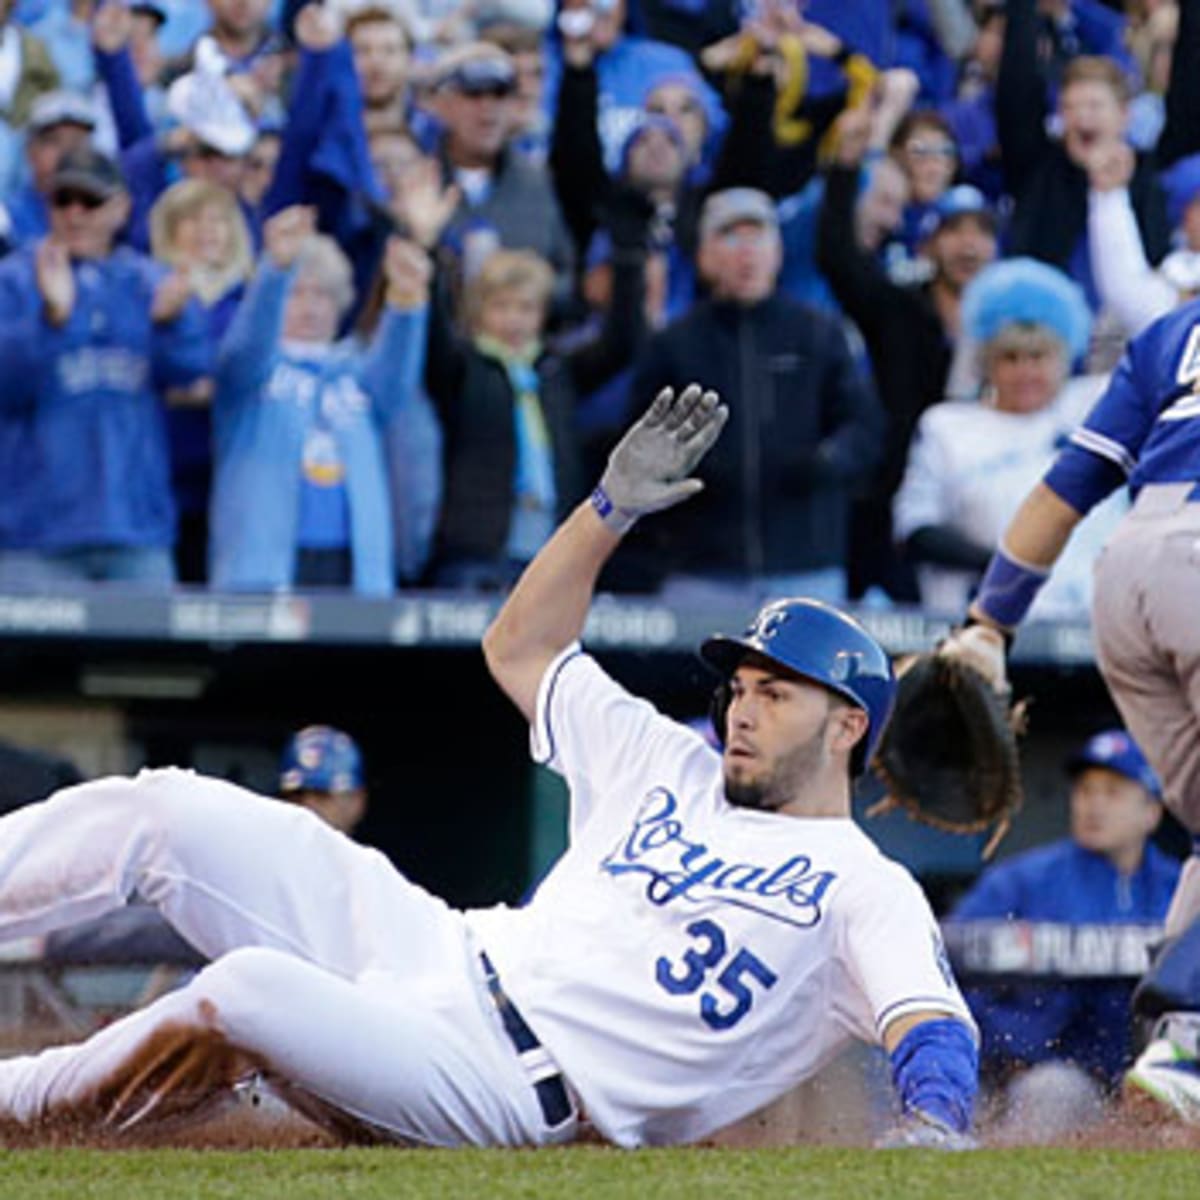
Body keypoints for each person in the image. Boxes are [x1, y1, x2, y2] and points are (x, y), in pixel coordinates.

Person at [0, 385, 977, 1150]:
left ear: (847, 725)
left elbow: (930, 1024)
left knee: (247, 991)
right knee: (170, 810)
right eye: (741, 686)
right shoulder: (665, 763)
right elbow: (519, 647)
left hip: (512, 1084)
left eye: (778, 693)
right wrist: (607, 511)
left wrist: (934, 1126)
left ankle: (16, 1103)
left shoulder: (864, 884)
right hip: (440, 949)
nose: (744, 708)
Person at [945, 278, 1200, 1122]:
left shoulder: (1173, 332)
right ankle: (1190, 1036)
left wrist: (988, 623)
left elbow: (1066, 489)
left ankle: (1176, 1041)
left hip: (1125, 579)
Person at [628, 187, 883, 602]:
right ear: (705, 255)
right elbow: (640, 439)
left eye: (758, 236)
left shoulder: (821, 333)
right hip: (699, 567)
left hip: (806, 564)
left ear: (778, 252)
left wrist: (825, 462)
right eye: (730, 237)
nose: (746, 252)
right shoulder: (674, 344)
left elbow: (865, 427)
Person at [947, 730, 1178, 1141]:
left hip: (1155, 1085)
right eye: (1086, 790)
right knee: (1051, 1090)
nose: (1094, 805)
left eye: (1113, 792)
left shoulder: (1180, 889)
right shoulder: (1023, 881)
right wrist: (1011, 1051)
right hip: (1046, 1078)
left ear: (1152, 811)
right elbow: (944, 973)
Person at [0, 146, 211, 588]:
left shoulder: (148, 281)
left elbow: (192, 373)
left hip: (135, 530)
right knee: (32, 659)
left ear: (121, 208)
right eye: (63, 201)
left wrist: (172, 323)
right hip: (36, 536)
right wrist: (51, 320)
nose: (75, 214)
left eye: (90, 201)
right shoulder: (15, 279)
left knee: (145, 660)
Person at [817, 103, 998, 603]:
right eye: (955, 231)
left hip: (976, 497)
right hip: (889, 499)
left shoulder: (1010, 330)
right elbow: (837, 259)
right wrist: (845, 167)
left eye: (981, 232)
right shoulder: (898, 308)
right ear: (930, 244)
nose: (969, 244)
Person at [208, 206, 430, 594]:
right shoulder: (253, 373)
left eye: (323, 295)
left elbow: (396, 374)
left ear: (341, 302)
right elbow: (246, 348)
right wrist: (275, 272)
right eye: (297, 294)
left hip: (354, 568)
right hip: (264, 567)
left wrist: (407, 302)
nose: (310, 307)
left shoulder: (357, 375)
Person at [893, 256, 1124, 620]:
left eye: (1039, 356)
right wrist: (1007, 563)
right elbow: (915, 530)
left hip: (1094, 622)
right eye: (1010, 357)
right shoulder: (947, 427)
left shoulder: (1096, 407)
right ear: (987, 363)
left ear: (1065, 357)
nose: (1025, 371)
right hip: (986, 622)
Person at [278, 724, 368, 836]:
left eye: (321, 794)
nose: (308, 805)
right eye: (297, 794)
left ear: (356, 802)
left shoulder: (371, 854)